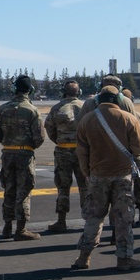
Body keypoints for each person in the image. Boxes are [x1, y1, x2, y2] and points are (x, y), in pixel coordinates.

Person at [70, 85, 140, 271]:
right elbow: (139, 148)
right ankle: (124, 259)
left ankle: (84, 257)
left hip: (97, 176)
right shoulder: (129, 118)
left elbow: (82, 151)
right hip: (122, 176)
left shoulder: (87, 120)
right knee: (123, 219)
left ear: (97, 100)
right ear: (119, 101)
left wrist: (87, 173)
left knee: (93, 218)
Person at [82, 75, 140, 226]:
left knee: (97, 200)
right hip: (124, 158)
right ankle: (123, 226)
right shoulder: (126, 103)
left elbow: (80, 134)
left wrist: (86, 166)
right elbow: (135, 131)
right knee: (124, 196)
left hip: (97, 158)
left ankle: (92, 234)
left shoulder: (89, 103)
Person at [0, 74, 46, 240]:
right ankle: (21, 229)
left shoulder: (2, 109)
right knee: (23, 191)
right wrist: (29, 145)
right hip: (25, 154)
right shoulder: (32, 110)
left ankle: (7, 226)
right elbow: (39, 137)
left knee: (9, 189)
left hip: (8, 153)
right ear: (30, 90)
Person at [44, 79, 85, 233]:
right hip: (82, 151)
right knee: (85, 186)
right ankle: (89, 219)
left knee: (63, 186)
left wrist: (62, 141)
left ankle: (61, 221)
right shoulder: (85, 107)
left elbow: (50, 130)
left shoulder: (57, 108)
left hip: (63, 151)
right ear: (78, 92)